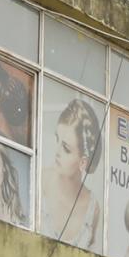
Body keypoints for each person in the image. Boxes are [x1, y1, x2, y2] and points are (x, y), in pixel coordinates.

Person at [38, 94, 103, 245]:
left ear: (83, 162)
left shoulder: (93, 209)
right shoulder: (41, 181)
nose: (57, 152)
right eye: (57, 140)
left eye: (66, 148)